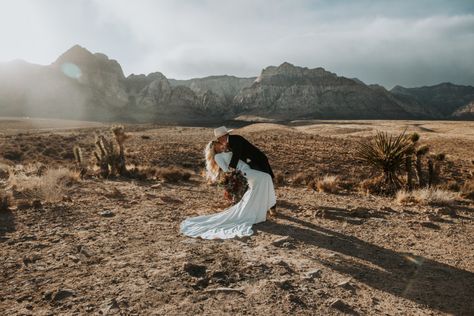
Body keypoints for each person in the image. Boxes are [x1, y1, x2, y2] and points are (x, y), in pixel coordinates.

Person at [180, 139, 276, 239]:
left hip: (248, 168)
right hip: (243, 172)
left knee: (258, 187)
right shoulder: (218, 157)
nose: (220, 145)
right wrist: (237, 172)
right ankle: (269, 205)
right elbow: (227, 170)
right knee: (266, 177)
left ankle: (258, 212)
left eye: (220, 143)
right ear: (214, 148)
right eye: (218, 144)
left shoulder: (227, 151)